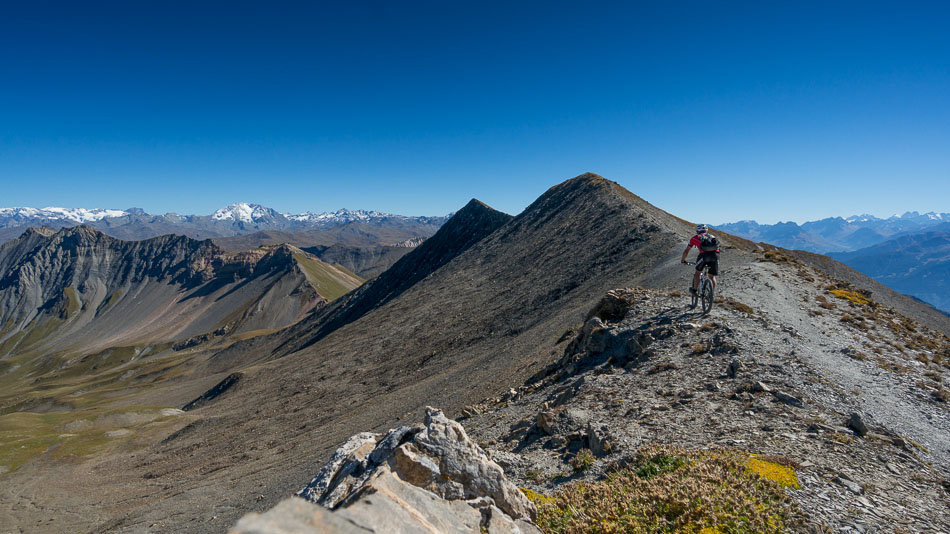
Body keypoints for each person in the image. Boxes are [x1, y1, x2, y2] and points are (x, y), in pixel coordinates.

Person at [681, 224, 719, 296]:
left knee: (698, 273)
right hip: (715, 256)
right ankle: (712, 295)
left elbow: (686, 251)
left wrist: (683, 260)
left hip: (704, 256)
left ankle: (694, 290)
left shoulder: (695, 238)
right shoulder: (712, 237)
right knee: (712, 276)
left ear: (697, 231)